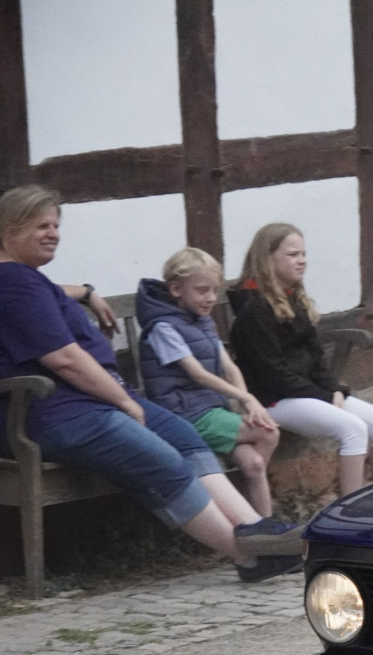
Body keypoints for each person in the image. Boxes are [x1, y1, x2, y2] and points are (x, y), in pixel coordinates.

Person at [0, 185, 302, 582]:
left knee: (184, 437)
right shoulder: (14, 281)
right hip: (62, 413)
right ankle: (248, 555)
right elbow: (65, 360)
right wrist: (124, 401)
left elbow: (48, 296)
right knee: (163, 461)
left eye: (56, 225)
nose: (53, 233)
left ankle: (256, 530)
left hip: (93, 401)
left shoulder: (25, 280)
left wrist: (87, 292)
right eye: (42, 226)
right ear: (10, 229)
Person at [227, 222, 373, 497]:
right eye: (293, 254)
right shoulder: (253, 311)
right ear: (268, 259)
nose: (302, 260)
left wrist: (334, 389)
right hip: (274, 400)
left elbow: (316, 356)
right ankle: (351, 512)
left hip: (307, 393)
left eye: (303, 254)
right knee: (353, 428)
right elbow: (274, 374)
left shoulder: (293, 299)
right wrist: (325, 396)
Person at [137, 247, 281, 516]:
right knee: (268, 432)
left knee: (254, 463)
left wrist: (247, 404)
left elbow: (229, 367)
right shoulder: (163, 327)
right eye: (203, 290)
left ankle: (262, 525)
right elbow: (198, 374)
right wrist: (247, 398)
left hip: (209, 409)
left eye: (215, 290)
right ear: (176, 289)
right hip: (184, 415)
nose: (211, 298)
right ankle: (246, 516)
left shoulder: (202, 321)